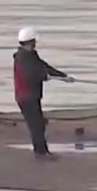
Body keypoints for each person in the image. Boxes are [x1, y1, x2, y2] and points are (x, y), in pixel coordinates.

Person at [13, 27, 73, 159]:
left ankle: (42, 151)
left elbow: (43, 66)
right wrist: (45, 76)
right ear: (30, 41)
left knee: (38, 124)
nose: (35, 43)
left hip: (32, 95)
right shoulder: (22, 58)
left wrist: (62, 76)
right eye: (34, 40)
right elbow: (32, 74)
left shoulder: (31, 55)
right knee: (36, 125)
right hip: (26, 97)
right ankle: (41, 153)